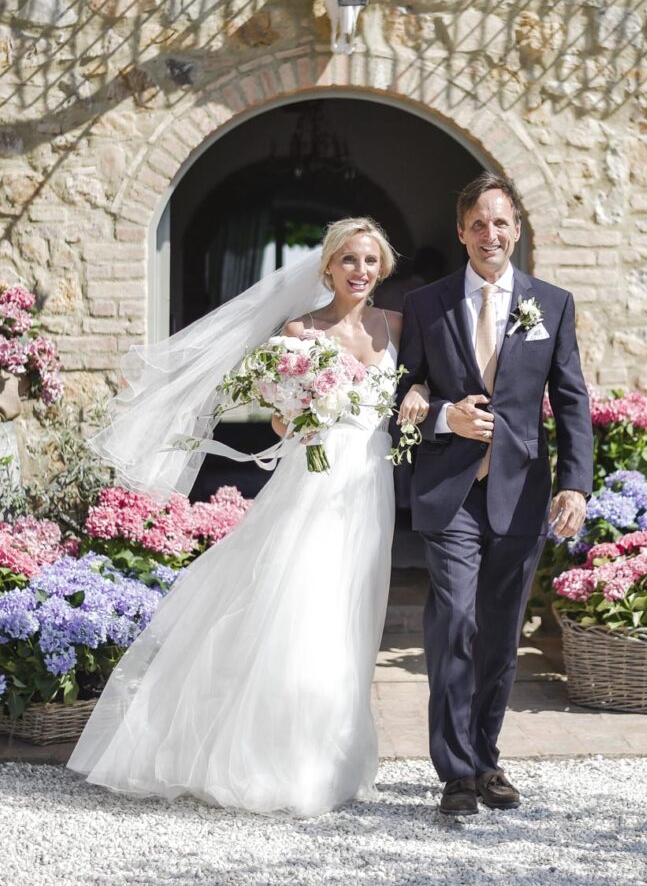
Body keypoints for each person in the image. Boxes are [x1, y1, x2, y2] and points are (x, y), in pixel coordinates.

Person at [67, 217, 429, 818]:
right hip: (312, 484)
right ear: (328, 268)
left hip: (368, 489)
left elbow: (422, 391)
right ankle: (278, 762)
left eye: (369, 261)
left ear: (382, 268)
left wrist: (418, 396)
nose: (359, 271)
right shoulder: (300, 331)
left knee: (353, 610)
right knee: (298, 604)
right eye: (348, 261)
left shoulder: (397, 328)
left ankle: (334, 756)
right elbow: (281, 427)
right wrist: (303, 405)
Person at [397, 172, 593, 816]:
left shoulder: (553, 304)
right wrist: (440, 414)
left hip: (522, 493)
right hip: (450, 491)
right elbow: (404, 395)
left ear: (516, 229)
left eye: (500, 222)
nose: (490, 234)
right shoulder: (426, 305)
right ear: (461, 231)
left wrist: (575, 484)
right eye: (477, 223)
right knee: (454, 621)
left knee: (501, 634)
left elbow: (570, 400)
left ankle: (485, 758)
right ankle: (455, 772)